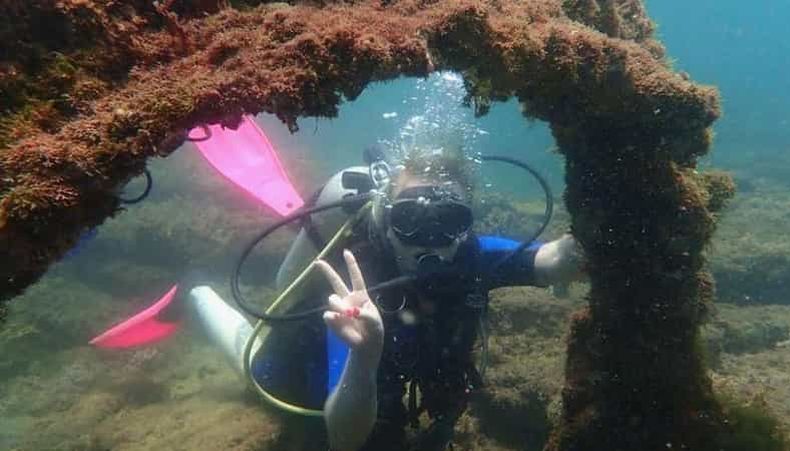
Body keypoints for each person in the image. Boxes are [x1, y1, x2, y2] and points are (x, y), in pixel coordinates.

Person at [189, 149, 584, 451]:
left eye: (449, 221)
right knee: (253, 359)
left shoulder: (473, 257)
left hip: (377, 401)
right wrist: (363, 354)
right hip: (291, 377)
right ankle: (193, 292)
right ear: (385, 219)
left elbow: (553, 261)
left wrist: (598, 222)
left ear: (466, 227)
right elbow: (344, 439)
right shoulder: (355, 285)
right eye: (410, 220)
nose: (430, 240)